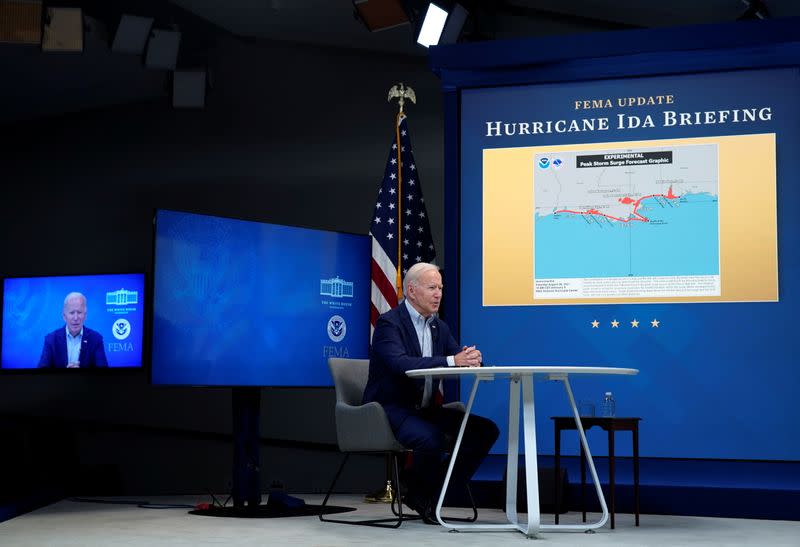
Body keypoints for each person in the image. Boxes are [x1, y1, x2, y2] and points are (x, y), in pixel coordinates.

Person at [363, 262, 499, 523]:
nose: (438, 294)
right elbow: (400, 364)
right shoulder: (389, 324)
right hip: (388, 409)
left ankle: (432, 496)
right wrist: (452, 360)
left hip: (423, 410)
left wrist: (473, 359)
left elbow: (456, 356)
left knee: (484, 430)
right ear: (411, 291)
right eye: (431, 288)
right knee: (431, 438)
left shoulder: (439, 327)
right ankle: (423, 496)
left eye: (440, 288)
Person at [38, 292, 108, 368]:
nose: (75, 318)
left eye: (79, 312)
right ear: (64, 316)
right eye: (71, 313)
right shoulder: (51, 339)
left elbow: (103, 374)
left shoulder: (96, 339)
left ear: (85, 315)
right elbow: (42, 372)